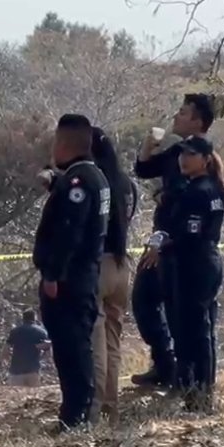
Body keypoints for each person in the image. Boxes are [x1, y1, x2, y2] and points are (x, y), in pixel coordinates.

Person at [130, 93, 217, 390]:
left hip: (179, 248)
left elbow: (186, 206)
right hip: (162, 241)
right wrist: (148, 144)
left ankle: (188, 379)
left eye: (182, 113)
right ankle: (166, 364)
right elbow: (143, 170)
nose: (175, 117)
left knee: (184, 316)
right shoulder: (176, 152)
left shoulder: (201, 160)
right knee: (146, 302)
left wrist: (163, 238)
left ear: (197, 121)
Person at [32, 114, 109, 431]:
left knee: (71, 347)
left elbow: (69, 232)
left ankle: (75, 416)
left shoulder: (79, 183)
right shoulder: (95, 177)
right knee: (75, 345)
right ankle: (77, 412)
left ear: (64, 144)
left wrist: (53, 274)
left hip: (70, 280)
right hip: (85, 274)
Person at [146, 135, 224, 412]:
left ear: (205, 159)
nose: (184, 159)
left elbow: (190, 234)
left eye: (190, 154)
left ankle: (200, 394)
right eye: (182, 154)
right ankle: (194, 390)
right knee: (194, 329)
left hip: (195, 262)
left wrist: (164, 243)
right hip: (199, 261)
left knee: (194, 331)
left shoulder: (201, 190)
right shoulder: (201, 187)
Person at [90, 126, 137, 423]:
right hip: (122, 264)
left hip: (98, 265)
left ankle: (93, 407)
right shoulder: (126, 185)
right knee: (113, 341)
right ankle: (112, 405)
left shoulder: (93, 182)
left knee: (95, 341)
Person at [6, 309, 49, 387]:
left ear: (23, 318)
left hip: (16, 371)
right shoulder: (41, 332)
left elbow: (7, 348)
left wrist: (4, 361)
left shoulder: (15, 331)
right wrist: (42, 361)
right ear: (34, 318)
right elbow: (48, 349)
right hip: (33, 370)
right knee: (33, 396)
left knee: (16, 396)